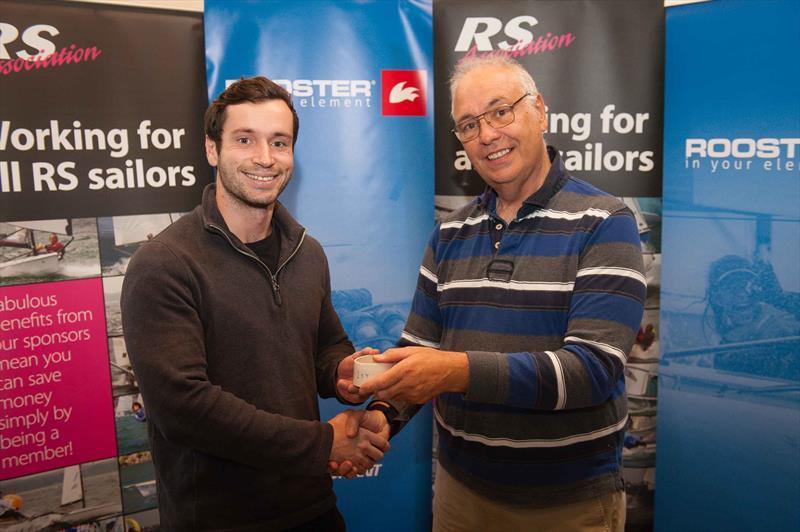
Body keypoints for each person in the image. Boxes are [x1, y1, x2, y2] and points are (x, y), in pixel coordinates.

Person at [356, 56, 646, 531]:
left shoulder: (604, 222)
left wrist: (458, 370)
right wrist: (384, 414)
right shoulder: (449, 234)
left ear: (540, 111)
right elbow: (420, 351)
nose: (487, 134)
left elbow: (592, 371)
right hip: (458, 494)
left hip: (567, 505)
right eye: (468, 125)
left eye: (500, 112)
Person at [121, 76, 390, 531]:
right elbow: (184, 409)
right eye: (245, 139)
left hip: (312, 507)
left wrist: (342, 374)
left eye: (279, 143)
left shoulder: (309, 251)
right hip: (215, 520)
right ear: (212, 149)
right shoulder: (164, 264)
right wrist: (323, 444)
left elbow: (327, 346)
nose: (265, 158)